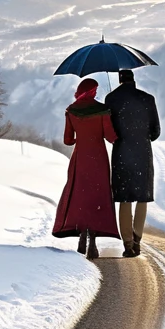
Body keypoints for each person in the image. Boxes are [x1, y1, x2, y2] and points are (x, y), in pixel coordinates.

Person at [52, 77, 120, 259]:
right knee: (97, 196)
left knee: (80, 195)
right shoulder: (102, 111)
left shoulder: (71, 111)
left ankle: (81, 233)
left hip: (80, 158)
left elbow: (67, 140)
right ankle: (93, 241)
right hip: (98, 158)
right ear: (93, 92)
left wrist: (79, 138)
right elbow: (111, 137)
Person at [106, 69, 161, 257]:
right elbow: (156, 132)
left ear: (120, 80)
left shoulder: (111, 99)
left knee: (124, 198)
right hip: (142, 153)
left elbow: (109, 132)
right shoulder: (148, 99)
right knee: (142, 197)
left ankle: (127, 243)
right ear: (134, 80)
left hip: (121, 153)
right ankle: (137, 239)